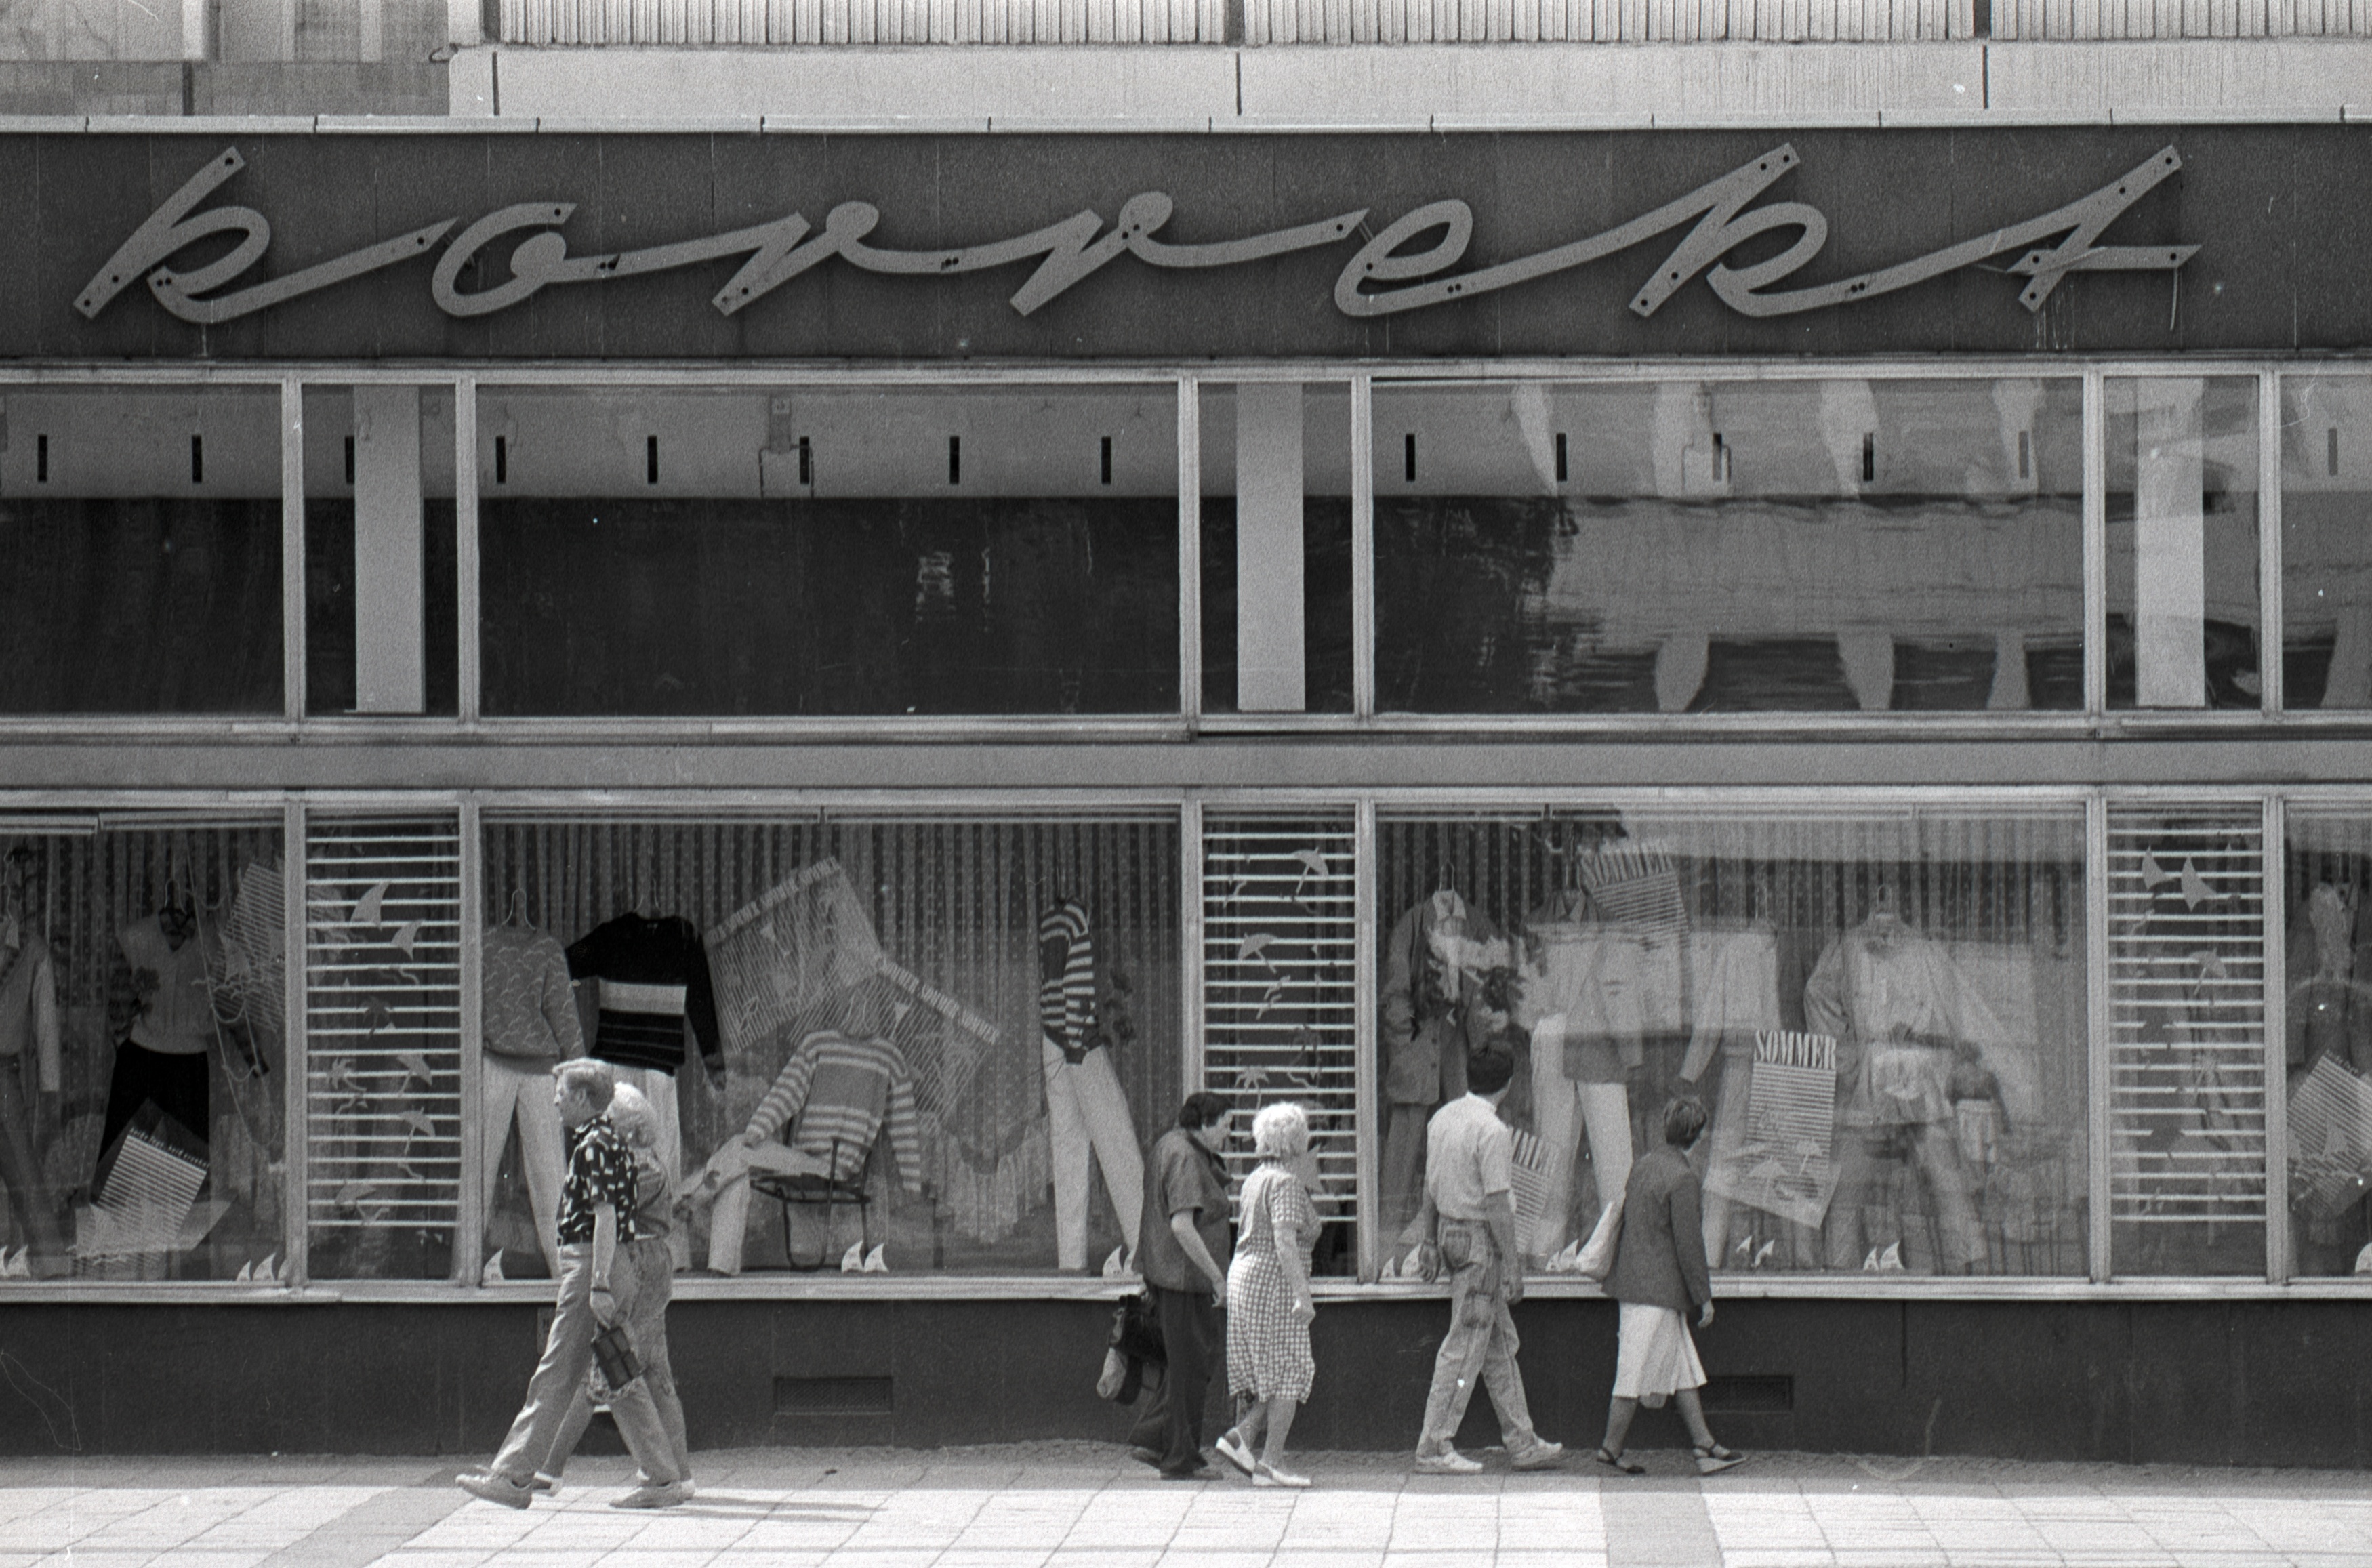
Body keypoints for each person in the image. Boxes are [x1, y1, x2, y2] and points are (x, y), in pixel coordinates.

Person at [456, 1059, 687, 1510]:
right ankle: (663, 1478)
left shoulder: (595, 1146)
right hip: (610, 1265)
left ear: (583, 1098)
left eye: (562, 1093)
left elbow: (606, 1217)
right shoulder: (611, 1143)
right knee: (619, 1372)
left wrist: (598, 1282)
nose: (556, 1101)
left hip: (592, 1264)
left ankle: (513, 1475)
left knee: (557, 1370)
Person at [1406, 1039, 1565, 1475]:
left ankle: (1522, 1441)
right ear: (1508, 1084)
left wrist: (1430, 1241)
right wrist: (1513, 1266)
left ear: (1469, 1078)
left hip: (1451, 1234)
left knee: (1496, 1345)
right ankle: (1433, 1445)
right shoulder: (1493, 1131)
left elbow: (1430, 1185)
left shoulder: (1443, 1117)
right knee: (1464, 1347)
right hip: (1480, 1244)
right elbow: (1497, 1204)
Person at [532, 1082, 693, 1499]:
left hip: (633, 1263)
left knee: (603, 1369)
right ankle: (679, 1474)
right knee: (653, 1372)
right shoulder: (650, 1162)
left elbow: (604, 1214)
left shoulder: (631, 1168)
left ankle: (550, 1471)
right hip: (654, 1262)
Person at [1596, 1094, 1746, 1477]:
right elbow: (1690, 1245)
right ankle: (1610, 1448)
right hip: (1659, 1293)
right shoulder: (1683, 1179)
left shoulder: (1643, 1166)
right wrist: (1704, 1298)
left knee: (1684, 1370)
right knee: (1632, 1373)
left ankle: (1704, 1443)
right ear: (1699, 1135)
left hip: (1634, 1282)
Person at [1126, 1090, 1234, 1481]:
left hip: (1169, 1275)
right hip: (1186, 1280)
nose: (1229, 1133)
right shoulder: (1186, 1157)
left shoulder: (1168, 1144)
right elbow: (1182, 1225)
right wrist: (1217, 1276)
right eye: (1225, 1125)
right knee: (1191, 1369)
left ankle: (1159, 1442)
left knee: (1181, 1367)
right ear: (1204, 1124)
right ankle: (1178, 1459)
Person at [1214, 1102, 1320, 1489]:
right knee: (1290, 1371)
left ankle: (1239, 1437)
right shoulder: (1285, 1183)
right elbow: (1285, 1241)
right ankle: (1271, 1463)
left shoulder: (1255, 1179)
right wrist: (1302, 1295)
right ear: (1295, 1140)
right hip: (1273, 1283)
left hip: (1246, 1278)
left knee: (1270, 1373)